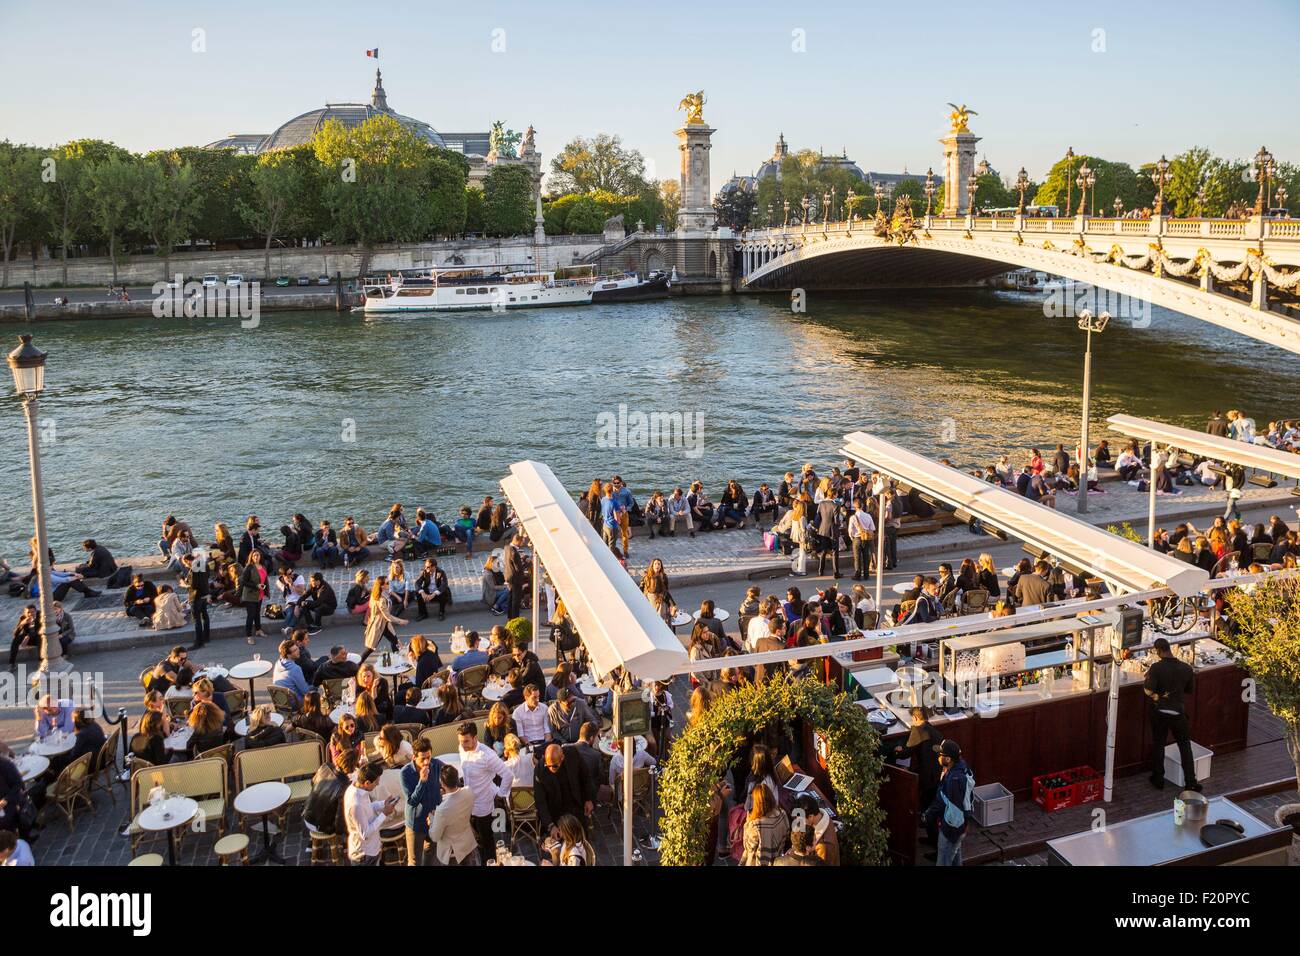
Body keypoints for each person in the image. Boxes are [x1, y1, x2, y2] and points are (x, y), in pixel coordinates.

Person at [1144, 637, 1200, 791]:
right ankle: (1191, 782)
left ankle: (1158, 778)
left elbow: (1148, 690)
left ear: (1158, 651)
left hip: (1160, 712)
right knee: (1184, 745)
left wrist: (1157, 696)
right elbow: (1189, 690)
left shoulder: (1156, 668)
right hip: (1178, 712)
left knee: (1159, 744)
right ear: (1170, 649)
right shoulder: (1187, 668)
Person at [457, 721, 513, 863]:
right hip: (468, 802)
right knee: (477, 841)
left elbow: (508, 775)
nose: (462, 745)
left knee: (487, 842)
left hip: (483, 805)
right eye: (461, 741)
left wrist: (500, 794)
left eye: (466, 741)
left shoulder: (488, 756)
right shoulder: (462, 748)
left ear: (475, 738)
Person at [924, 739, 974, 866]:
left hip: (951, 828)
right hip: (956, 827)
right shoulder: (957, 768)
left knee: (944, 861)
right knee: (955, 858)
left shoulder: (954, 780)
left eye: (941, 755)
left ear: (948, 759)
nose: (938, 757)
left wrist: (930, 815)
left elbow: (951, 805)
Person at [397, 737, 442, 866]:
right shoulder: (405, 773)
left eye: (429, 756)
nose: (427, 761)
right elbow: (412, 801)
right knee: (414, 861)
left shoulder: (437, 764)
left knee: (432, 855)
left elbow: (448, 783)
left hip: (434, 820)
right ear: (413, 757)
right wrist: (422, 781)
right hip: (416, 823)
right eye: (423, 758)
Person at [344, 762, 399, 865]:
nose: (378, 784)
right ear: (367, 783)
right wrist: (384, 814)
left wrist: (383, 803)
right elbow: (365, 834)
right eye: (376, 782)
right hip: (365, 854)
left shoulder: (356, 789)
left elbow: (367, 808)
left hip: (371, 849)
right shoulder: (356, 804)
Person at [535, 743, 590, 840]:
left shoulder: (573, 754)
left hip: (576, 806)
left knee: (582, 840)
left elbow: (585, 777)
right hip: (556, 813)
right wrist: (550, 825)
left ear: (562, 758)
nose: (551, 768)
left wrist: (589, 799)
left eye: (555, 766)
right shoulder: (540, 770)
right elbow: (540, 801)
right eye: (548, 765)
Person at [429, 764, 478, 865]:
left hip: (453, 853)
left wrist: (432, 820)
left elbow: (435, 837)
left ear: (442, 783)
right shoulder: (468, 791)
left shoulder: (442, 810)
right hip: (468, 844)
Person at [303, 748, 357, 838]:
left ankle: (311, 845)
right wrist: (342, 832)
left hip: (307, 814)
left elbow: (312, 782)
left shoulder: (325, 766)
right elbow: (340, 817)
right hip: (320, 825)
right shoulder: (344, 786)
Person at [360, 576, 406, 665]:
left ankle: (397, 661)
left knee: (394, 641)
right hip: (379, 624)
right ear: (382, 586)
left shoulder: (380, 594)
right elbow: (387, 616)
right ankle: (357, 665)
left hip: (384, 623)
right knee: (370, 648)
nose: (389, 584)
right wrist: (401, 621)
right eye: (387, 583)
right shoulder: (381, 599)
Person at [741, 782, 789, 866]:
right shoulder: (782, 814)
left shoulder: (755, 825)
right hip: (777, 860)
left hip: (760, 862)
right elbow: (787, 834)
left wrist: (747, 823)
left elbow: (748, 846)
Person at [272, 639, 313, 706]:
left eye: (297, 649)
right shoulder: (295, 669)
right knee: (314, 692)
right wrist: (314, 686)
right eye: (294, 651)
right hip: (294, 703)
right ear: (288, 655)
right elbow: (305, 691)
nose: (298, 651)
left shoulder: (278, 663)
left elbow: (282, 654)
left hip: (280, 702)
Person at [239, 551, 267, 644]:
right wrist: (256, 586)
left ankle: (258, 630)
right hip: (250, 595)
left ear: (260, 556)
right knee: (251, 615)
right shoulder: (249, 567)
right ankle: (249, 636)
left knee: (257, 613)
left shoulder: (263, 566)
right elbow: (243, 581)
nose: (256, 557)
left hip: (260, 594)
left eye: (258, 555)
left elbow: (265, 579)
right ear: (251, 557)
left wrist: (265, 588)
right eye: (254, 555)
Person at [503, 532, 527, 619]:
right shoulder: (514, 552)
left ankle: (510, 617)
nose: (522, 544)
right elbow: (518, 568)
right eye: (521, 542)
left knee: (510, 598)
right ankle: (515, 618)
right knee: (516, 600)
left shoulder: (507, 547)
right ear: (517, 541)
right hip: (516, 579)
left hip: (509, 576)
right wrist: (525, 563)